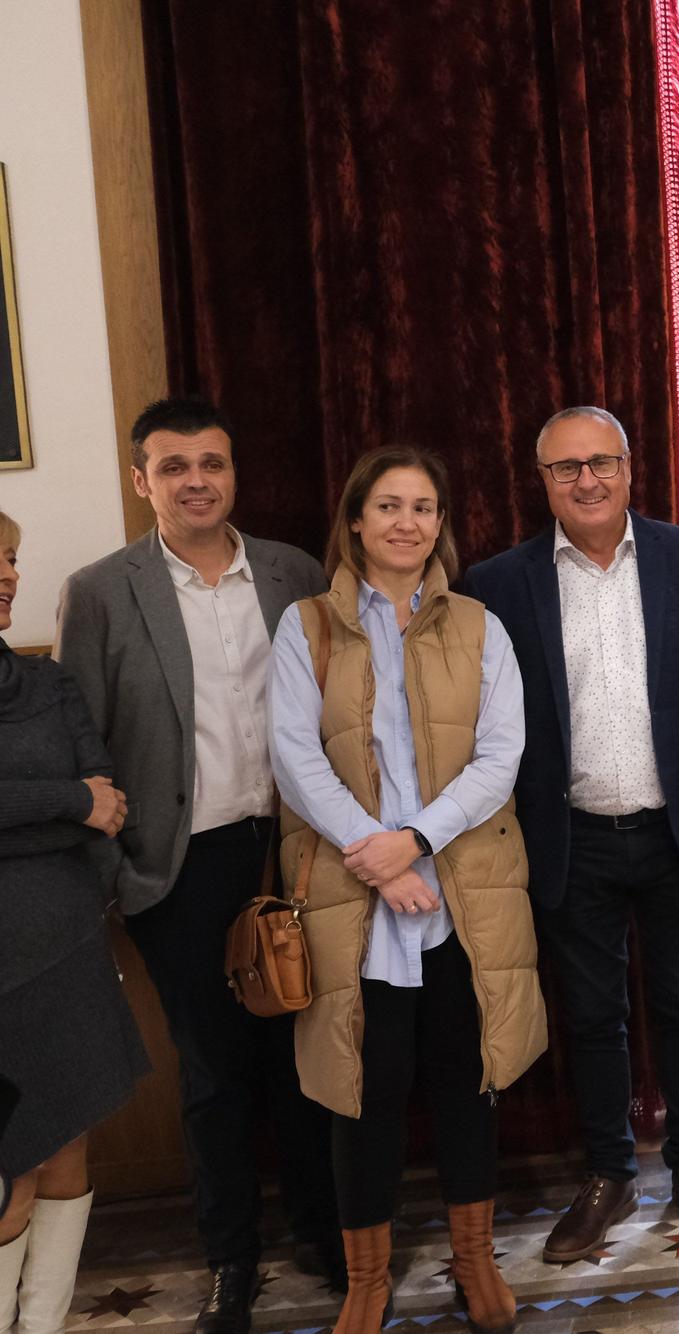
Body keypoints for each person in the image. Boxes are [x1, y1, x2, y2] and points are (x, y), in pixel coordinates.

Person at [54, 397, 340, 1333]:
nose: (195, 481)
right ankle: (231, 1258)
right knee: (214, 1074)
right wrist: (110, 882)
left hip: (290, 851)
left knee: (303, 1056)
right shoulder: (101, 591)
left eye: (211, 462)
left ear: (234, 472)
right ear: (142, 480)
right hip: (177, 868)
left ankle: (319, 1230)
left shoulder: (293, 573)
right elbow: (80, 740)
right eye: (173, 467)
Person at [268, 447, 542, 1334]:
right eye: (387, 506)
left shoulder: (480, 626)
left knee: (468, 1082)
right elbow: (294, 757)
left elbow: (501, 756)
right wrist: (374, 853)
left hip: (464, 888)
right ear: (354, 520)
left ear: (440, 525)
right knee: (363, 1090)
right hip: (351, 898)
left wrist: (415, 844)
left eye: (424, 507)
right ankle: (368, 1280)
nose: (406, 523)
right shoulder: (304, 626)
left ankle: (475, 1261)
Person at [464, 407, 679, 1256]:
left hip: (676, 828)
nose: (586, 480)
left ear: (630, 468)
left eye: (601, 462)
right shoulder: (499, 583)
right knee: (590, 1014)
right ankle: (609, 1174)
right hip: (568, 833)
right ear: (541, 481)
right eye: (565, 468)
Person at [0, 512, 150, 1334]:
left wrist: (74, 810)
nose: (7, 575)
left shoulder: (47, 682)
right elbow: (80, 798)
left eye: (11, 558)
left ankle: (45, 1326)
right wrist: (64, 805)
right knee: (8, 1167)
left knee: (67, 1146)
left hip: (63, 940)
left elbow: (110, 796)